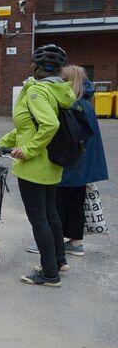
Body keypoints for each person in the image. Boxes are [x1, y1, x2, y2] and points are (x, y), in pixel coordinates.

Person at [0, 44, 76, 287]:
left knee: (38, 219)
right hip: (52, 164)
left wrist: (28, 151)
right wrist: (3, 142)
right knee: (50, 213)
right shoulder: (58, 90)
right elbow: (27, 127)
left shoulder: (36, 91)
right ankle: (58, 260)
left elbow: (49, 125)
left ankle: (49, 273)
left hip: (34, 165)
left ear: (35, 67)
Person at [54, 66, 108, 256]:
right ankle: (75, 242)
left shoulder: (74, 106)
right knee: (76, 201)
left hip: (72, 161)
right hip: (83, 163)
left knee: (58, 201)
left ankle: (53, 242)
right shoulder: (85, 103)